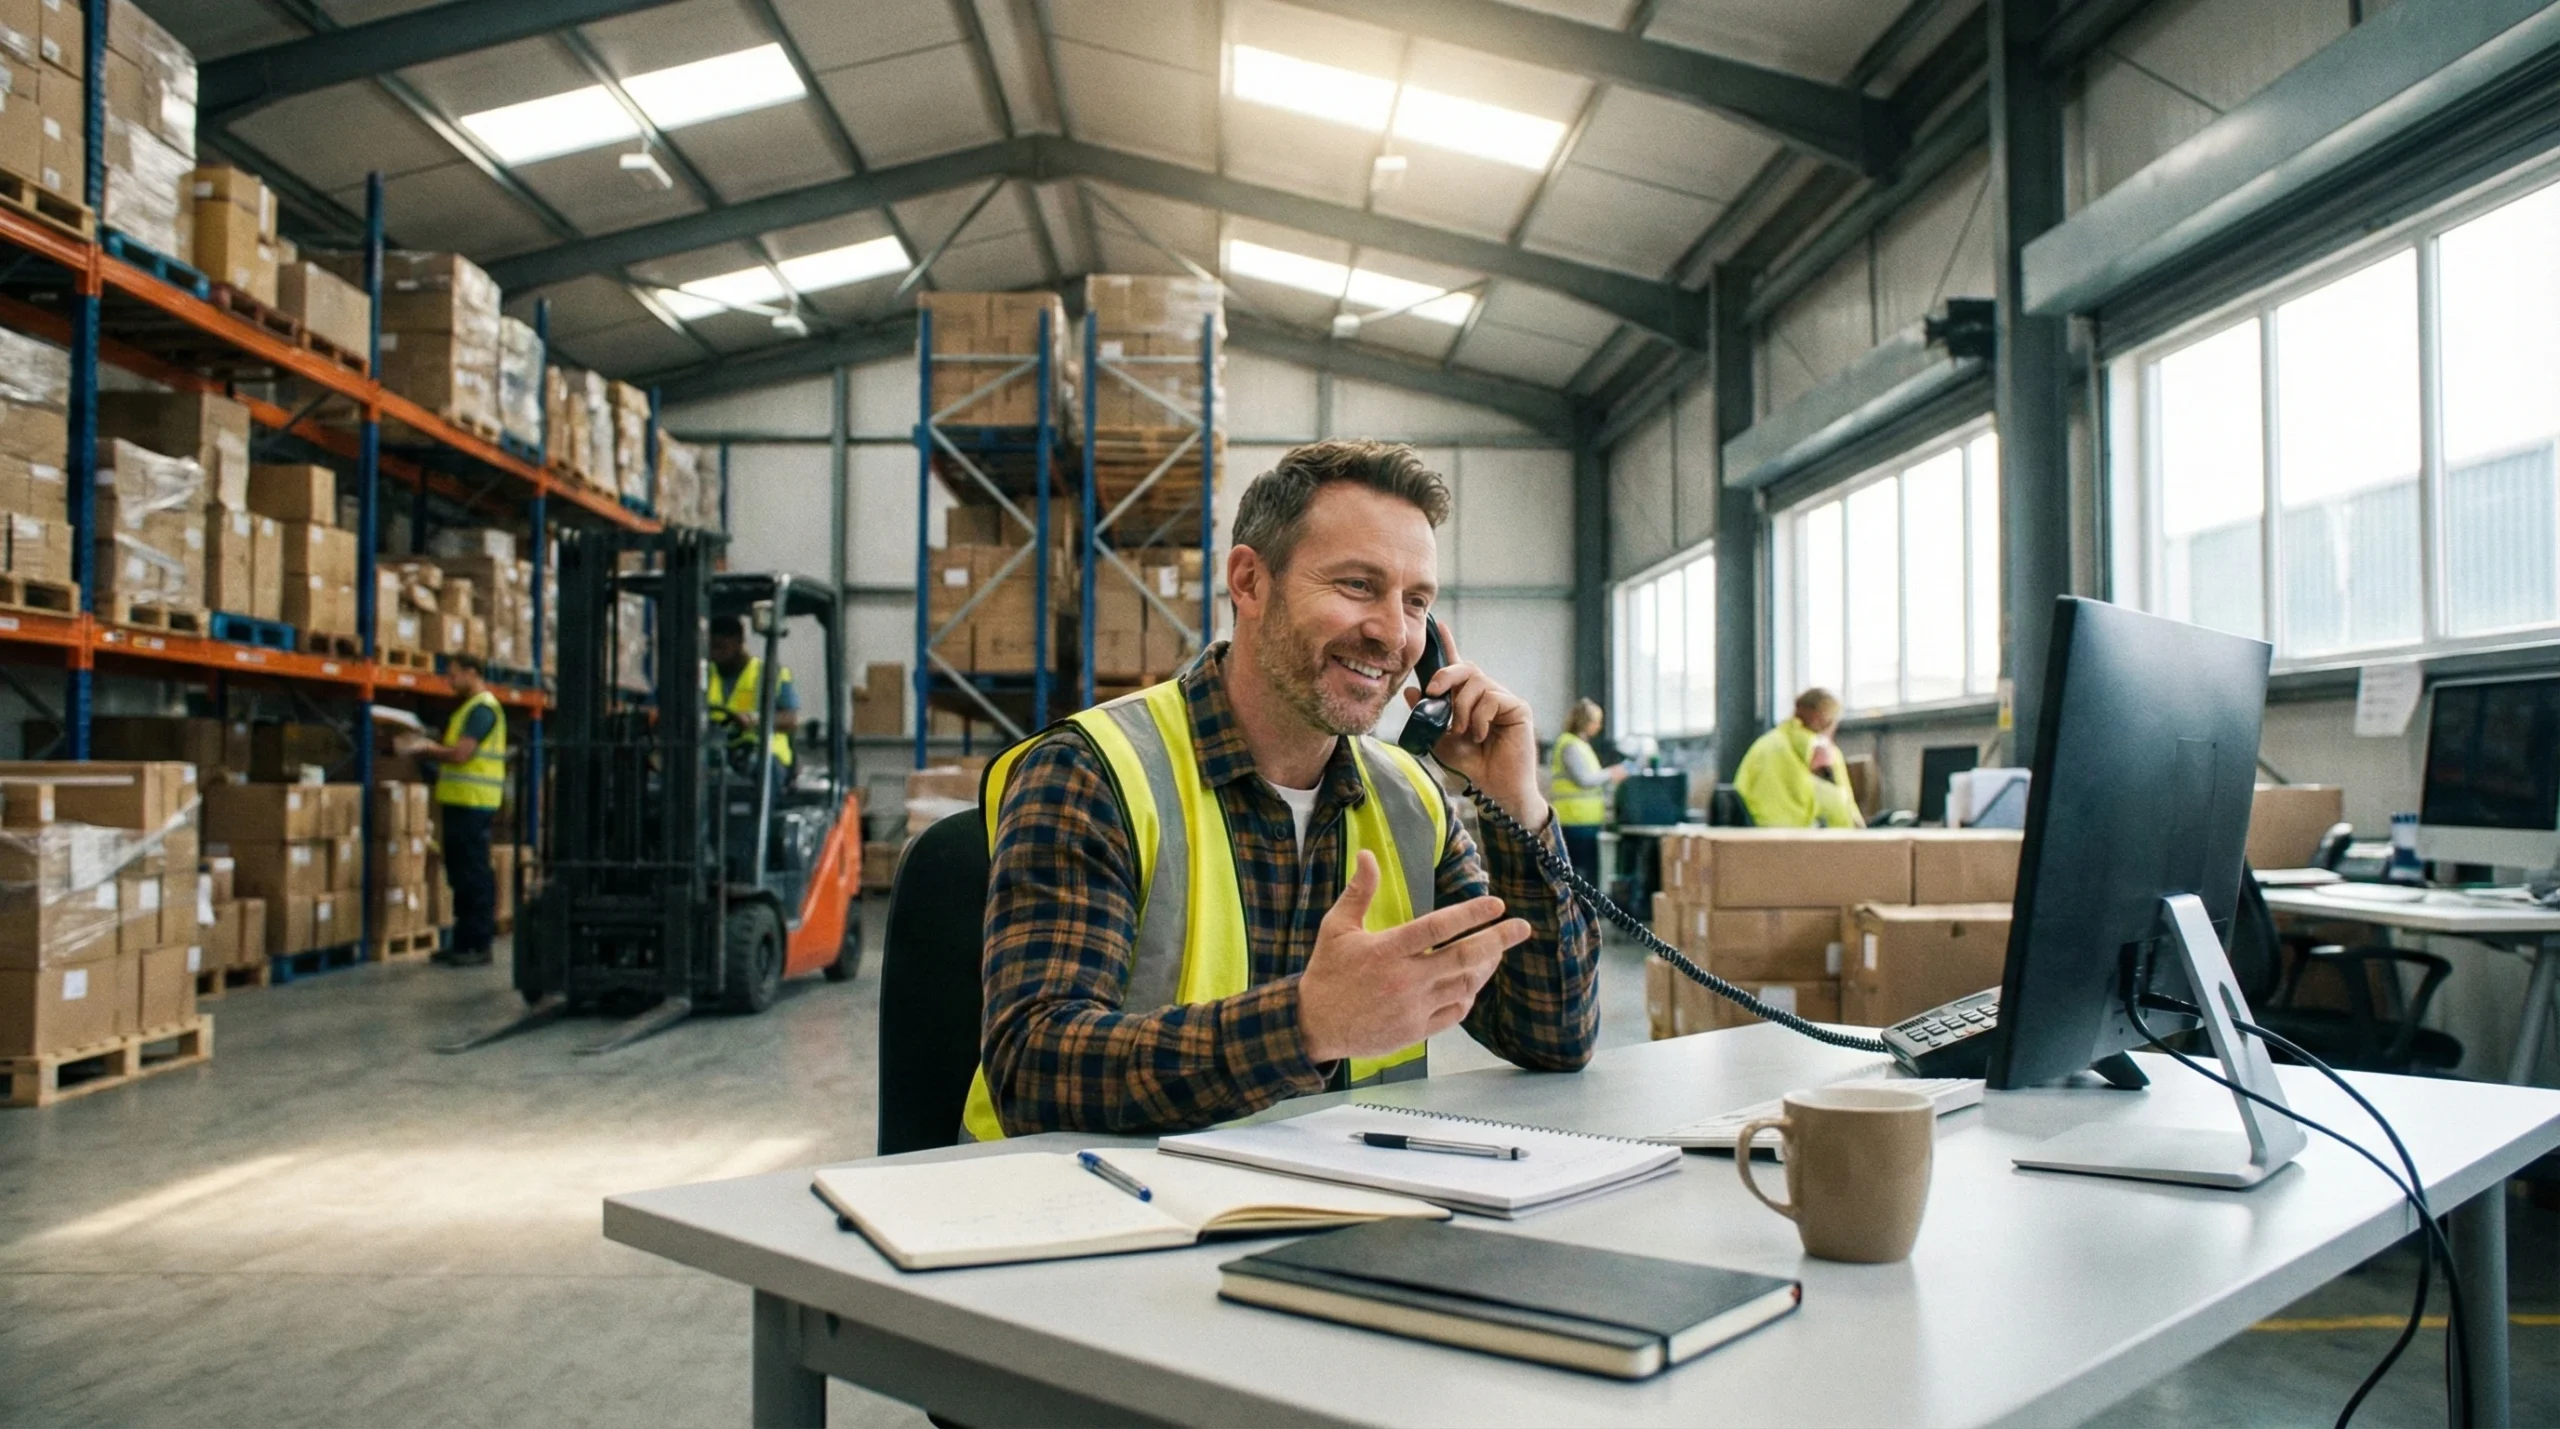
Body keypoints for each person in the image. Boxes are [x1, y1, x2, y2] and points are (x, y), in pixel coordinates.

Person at [969, 439, 1600, 1138]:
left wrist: (1517, 804)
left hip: (1350, 1217)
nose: (1393, 633)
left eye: (1416, 601)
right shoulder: (1092, 772)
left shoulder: (1413, 801)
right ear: (1250, 582)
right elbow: (1032, 1069)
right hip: (1109, 1217)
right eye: (1358, 585)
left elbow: (1553, 1034)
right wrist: (1304, 1025)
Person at [398, 653, 505, 968]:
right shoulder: (468, 710)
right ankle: (462, 942)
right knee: (459, 873)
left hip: (474, 802)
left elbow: (461, 755)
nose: (450, 681)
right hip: (460, 801)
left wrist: (426, 748)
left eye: (455, 674)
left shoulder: (483, 709)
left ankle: (478, 944)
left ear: (472, 673)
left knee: (473, 873)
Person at [1733, 687, 1864, 829]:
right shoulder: (1824, 753)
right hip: (1800, 841)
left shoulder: (1764, 745)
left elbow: (1738, 792)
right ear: (1822, 720)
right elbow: (1842, 810)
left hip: (1755, 836)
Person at [706, 614, 798, 796]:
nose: (715, 654)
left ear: (740, 641)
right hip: (716, 751)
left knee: (763, 769)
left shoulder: (769, 673)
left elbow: (791, 719)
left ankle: (759, 822)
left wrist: (755, 720)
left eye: (721, 647)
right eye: (711, 648)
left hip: (761, 753)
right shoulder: (704, 675)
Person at [1547, 698, 1627, 885]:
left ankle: (1585, 910)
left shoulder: (1581, 745)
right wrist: (1611, 773)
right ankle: (1580, 911)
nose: (1598, 727)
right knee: (1580, 873)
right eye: (1596, 722)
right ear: (1585, 722)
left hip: (1585, 819)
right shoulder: (1570, 745)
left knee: (1587, 872)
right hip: (1574, 820)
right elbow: (1585, 779)